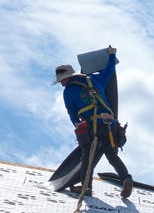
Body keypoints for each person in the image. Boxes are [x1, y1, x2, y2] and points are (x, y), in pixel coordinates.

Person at [53, 47, 132, 198]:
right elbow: (109, 70)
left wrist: (78, 127)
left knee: (87, 156)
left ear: (66, 78)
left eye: (61, 81)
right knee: (111, 155)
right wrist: (111, 55)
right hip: (111, 125)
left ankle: (86, 188)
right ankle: (126, 179)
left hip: (94, 126)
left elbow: (72, 114)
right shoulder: (95, 79)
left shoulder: (69, 92)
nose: (61, 84)